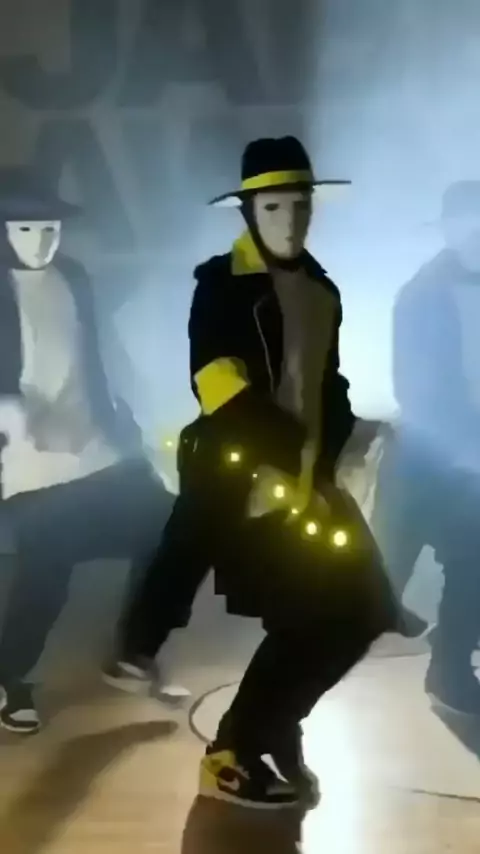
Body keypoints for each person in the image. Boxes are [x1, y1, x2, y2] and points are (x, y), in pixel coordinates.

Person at [108, 136, 407, 809]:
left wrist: (350, 432)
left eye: (300, 205)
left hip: (306, 484)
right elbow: (217, 382)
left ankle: (270, 727)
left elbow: (324, 383)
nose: (290, 220)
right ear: (248, 212)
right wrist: (286, 448)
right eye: (273, 207)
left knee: (358, 612)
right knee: (319, 616)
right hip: (244, 485)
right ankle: (234, 750)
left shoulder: (322, 290)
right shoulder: (221, 285)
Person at [0, 168, 174, 734]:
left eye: (50, 228)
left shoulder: (73, 277)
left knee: (171, 527)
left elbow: (100, 350)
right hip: (28, 464)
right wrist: (12, 414)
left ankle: (131, 651)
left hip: (100, 449)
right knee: (48, 567)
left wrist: (136, 407)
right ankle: (7, 676)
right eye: (27, 229)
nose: (42, 241)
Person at [372, 180, 480, 715]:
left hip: (465, 464)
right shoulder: (422, 295)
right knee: (378, 581)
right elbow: (416, 391)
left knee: (471, 565)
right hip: (427, 462)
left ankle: (450, 669)